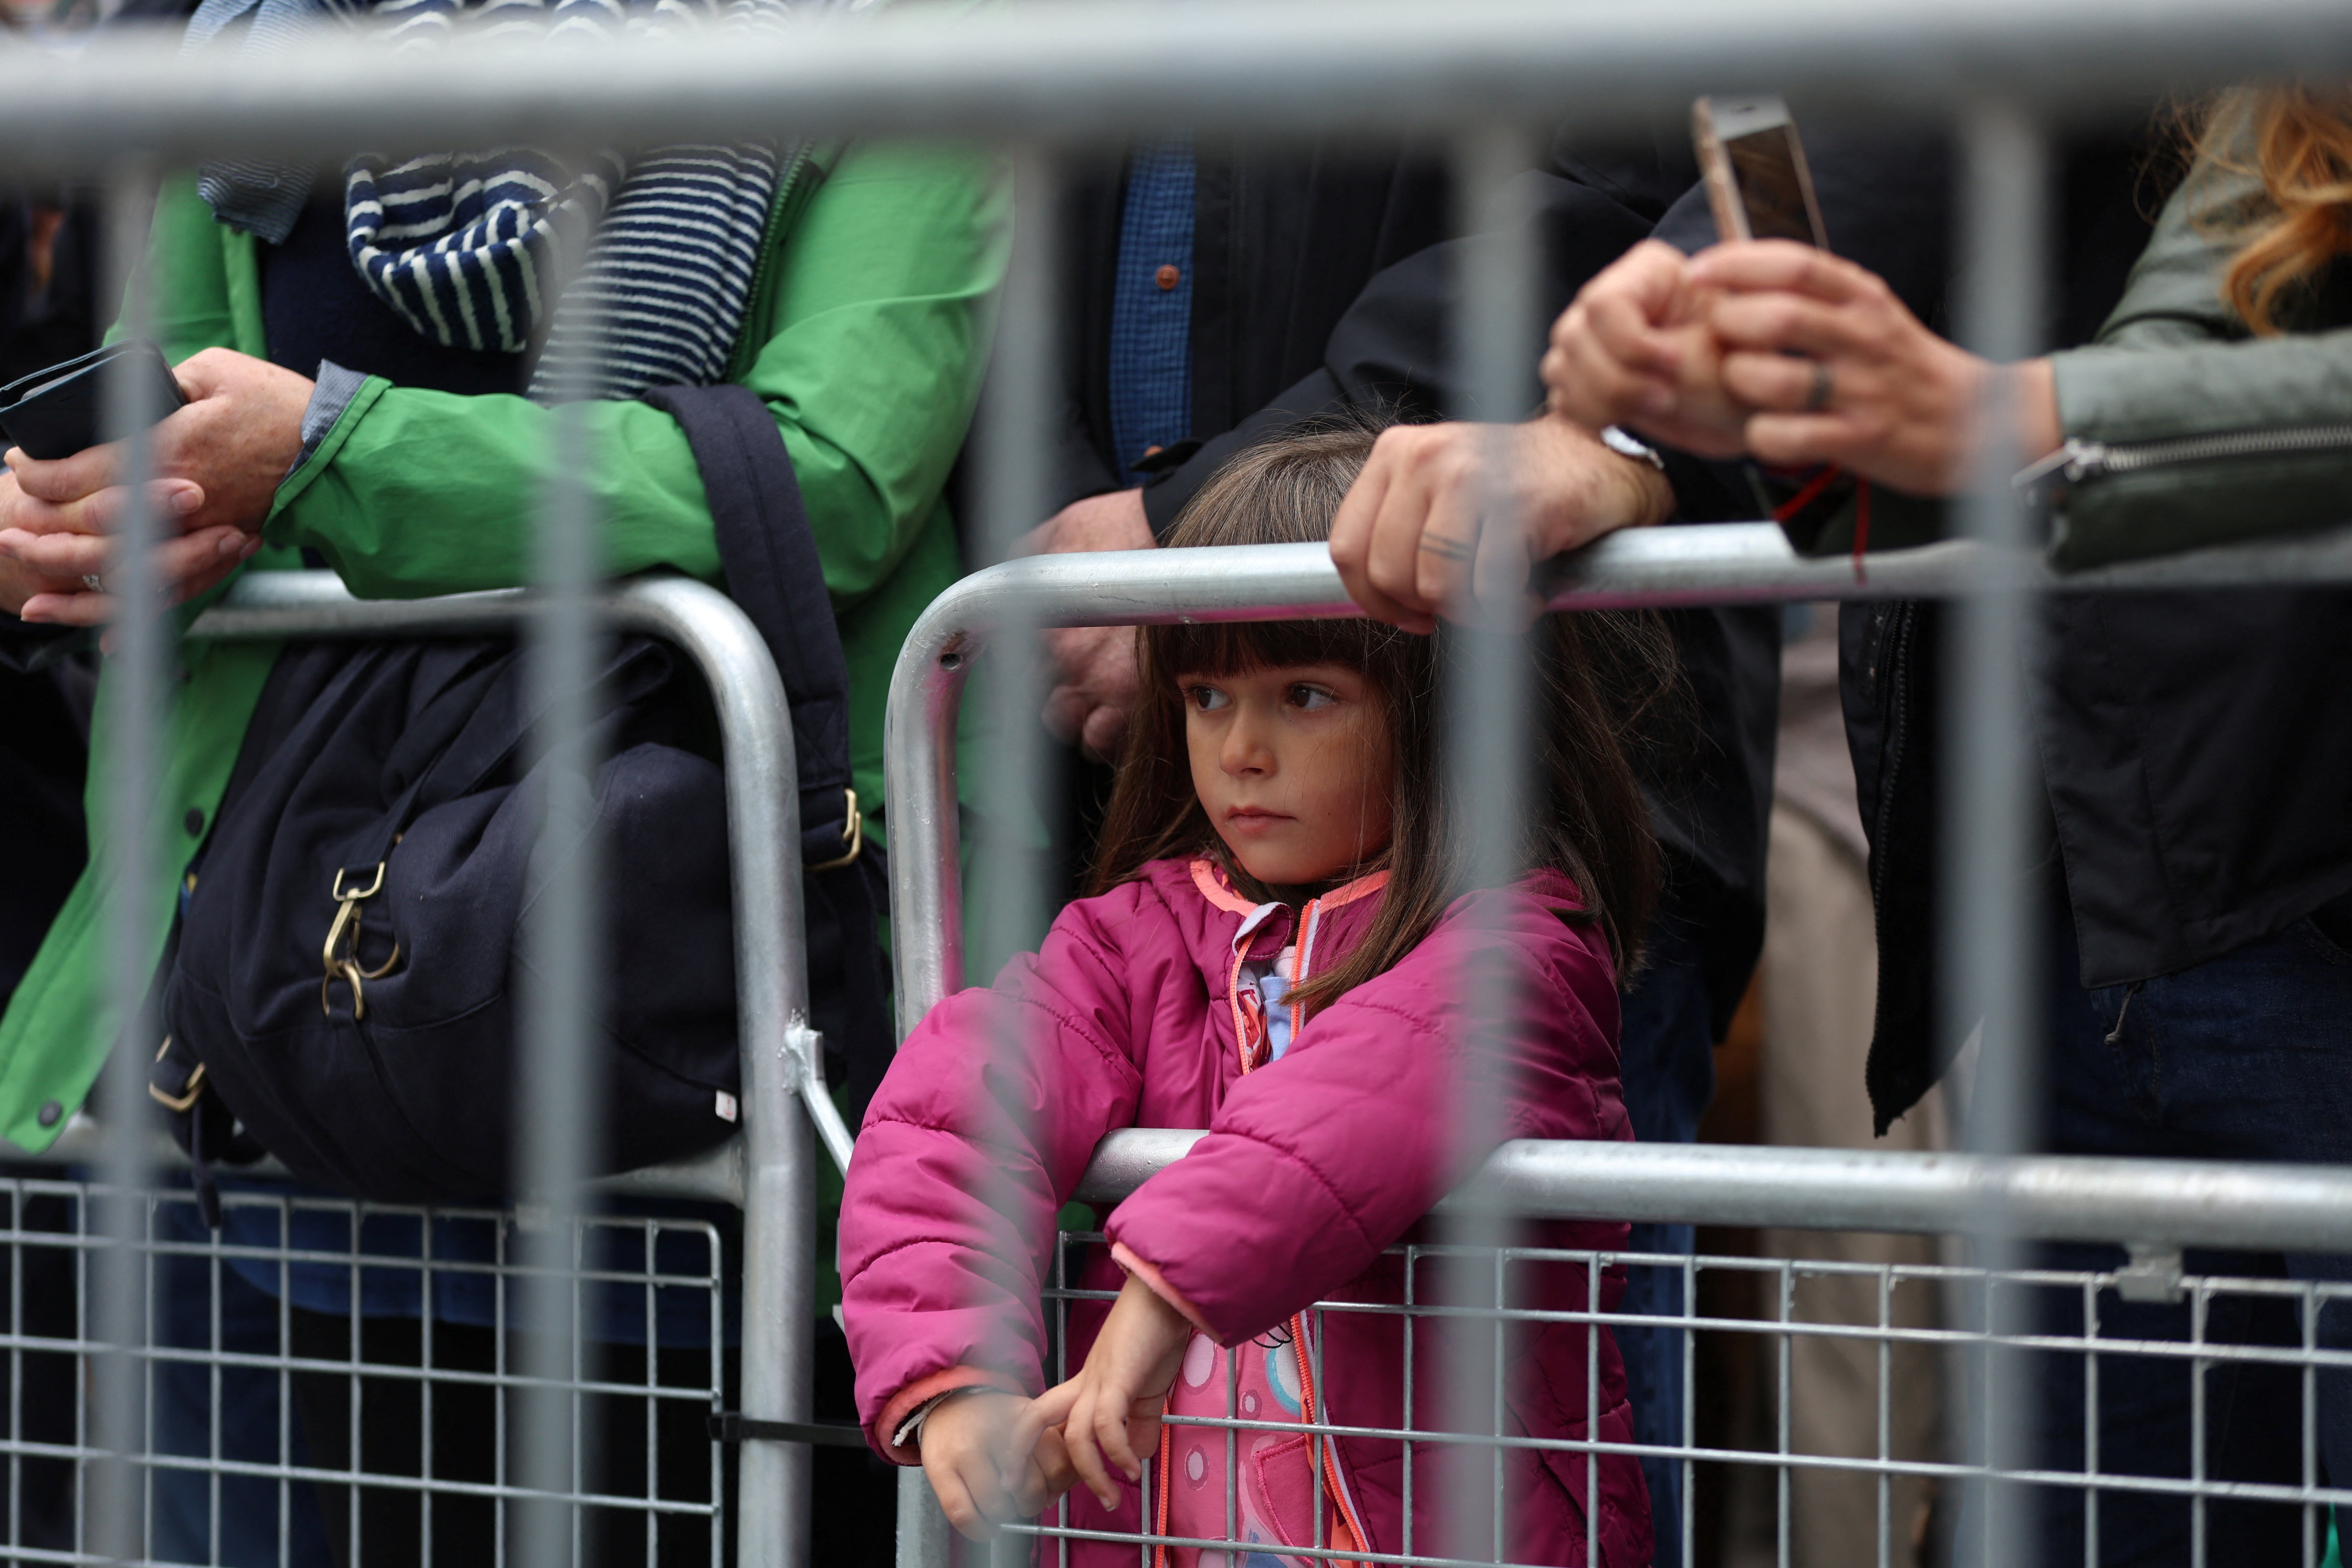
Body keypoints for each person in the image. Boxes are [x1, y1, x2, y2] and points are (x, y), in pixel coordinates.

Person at [0, 0, 1004, 1557]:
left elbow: (839, 475)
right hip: (267, 1043)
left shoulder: (876, 39)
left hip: (684, 1058)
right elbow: (188, 459)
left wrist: (341, 457)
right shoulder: (244, 55)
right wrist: (71, 525)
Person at [1548, 85, 2352, 1564]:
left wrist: (2003, 416)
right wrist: (1712, 411)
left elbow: (2079, 431)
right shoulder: (2268, 100)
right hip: (2117, 907)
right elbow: (2122, 411)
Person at [841, 418, 1661, 1565]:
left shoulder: (1521, 936)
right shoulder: (1134, 937)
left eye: (1305, 696)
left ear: (1439, 711)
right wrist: (952, 1372)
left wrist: (1161, 1295)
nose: (1241, 752)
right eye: (1210, 697)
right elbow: (956, 1108)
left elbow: (1367, 1083)